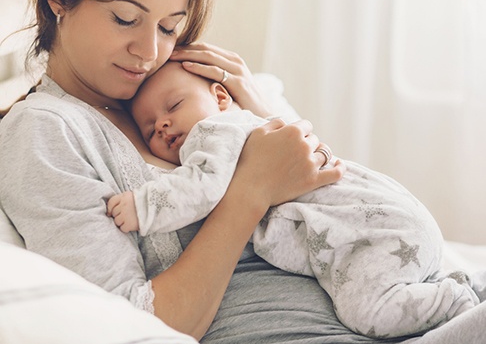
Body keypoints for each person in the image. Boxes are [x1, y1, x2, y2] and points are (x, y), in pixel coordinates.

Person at [1, 0, 486, 343]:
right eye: (125, 18)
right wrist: (251, 189)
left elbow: (327, 194)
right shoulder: (44, 132)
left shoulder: (163, 86)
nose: (147, 50)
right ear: (59, 0)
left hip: (397, 295)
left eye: (170, 27)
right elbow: (131, 322)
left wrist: (260, 109)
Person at [107, 61, 481, 338]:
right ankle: (461, 287)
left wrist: (144, 206)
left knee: (369, 310)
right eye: (150, 128)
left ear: (221, 97)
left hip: (370, 230)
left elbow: (198, 189)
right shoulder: (256, 129)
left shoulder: (215, 133)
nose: (163, 125)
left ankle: (455, 301)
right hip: (386, 223)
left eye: (172, 107)